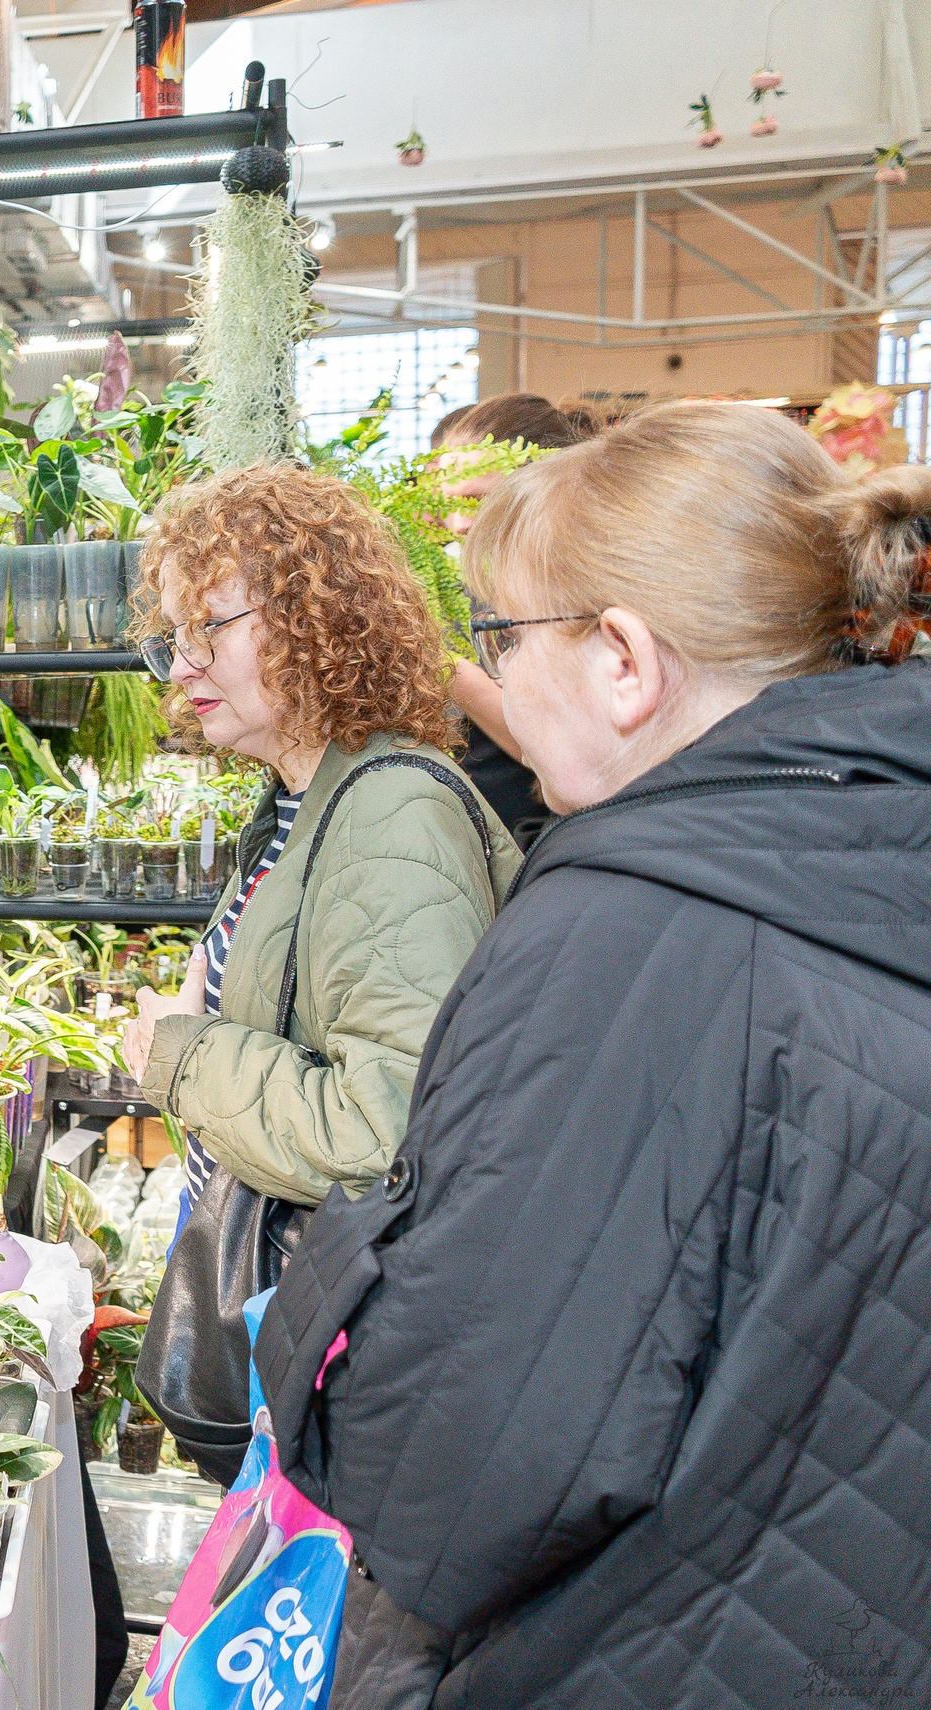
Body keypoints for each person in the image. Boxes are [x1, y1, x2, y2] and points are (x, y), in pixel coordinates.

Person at [257, 404, 931, 1707]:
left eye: (503, 637)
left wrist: (333, 1285)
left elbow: (455, 1482)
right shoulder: (871, 857)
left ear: (624, 658)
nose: (491, 682)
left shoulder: (627, 927)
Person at [118, 463, 521, 1210]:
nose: (179, 665)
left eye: (208, 626)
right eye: (173, 637)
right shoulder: (308, 801)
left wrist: (184, 1053)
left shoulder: (393, 820)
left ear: (313, 619)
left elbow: (387, 1135)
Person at [432, 393, 589, 850]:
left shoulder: (571, 598)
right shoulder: (480, 587)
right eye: (450, 503)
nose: (459, 523)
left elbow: (544, 744)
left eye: (478, 499)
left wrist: (439, 663)